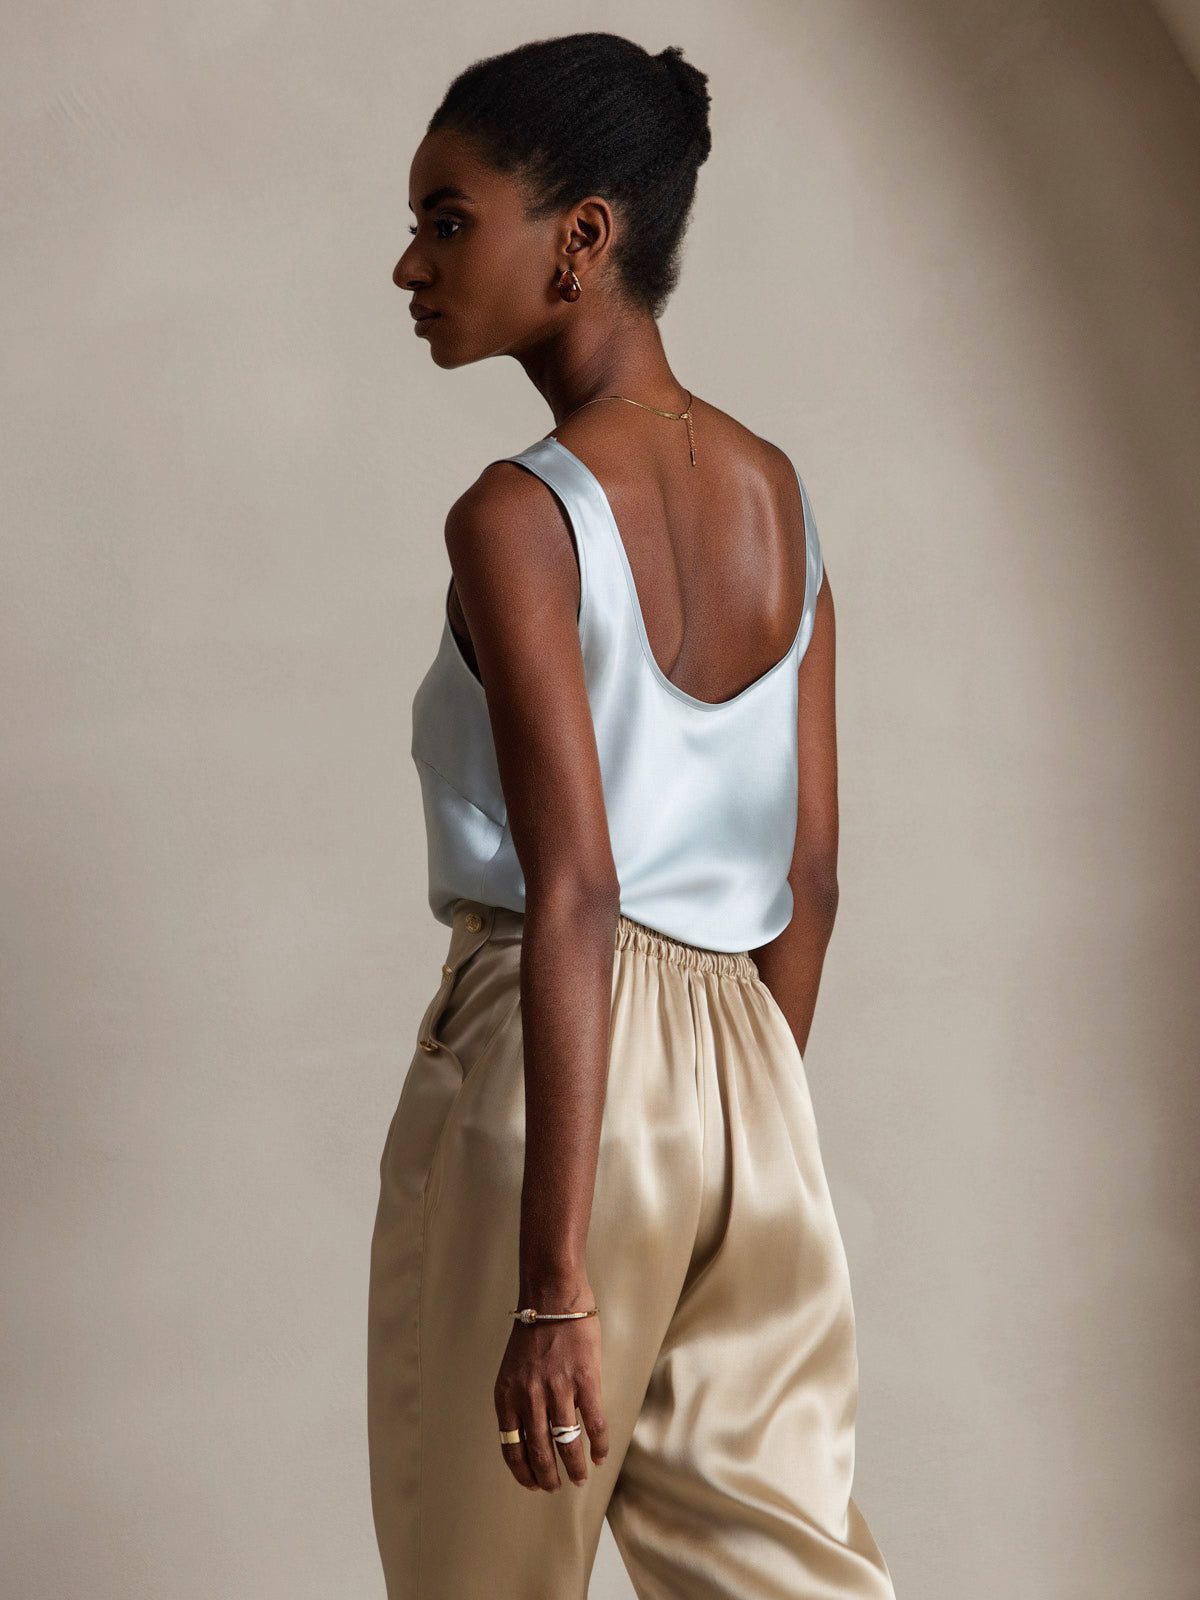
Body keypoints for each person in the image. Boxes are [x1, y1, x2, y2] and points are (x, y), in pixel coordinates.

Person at [368, 30, 898, 1600]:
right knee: (781, 1573)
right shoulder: (781, 499)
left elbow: (579, 886)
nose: (410, 264)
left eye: (450, 220)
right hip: (752, 1083)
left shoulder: (517, 513)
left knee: (481, 1579)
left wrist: (558, 1282)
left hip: (558, 1066)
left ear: (583, 236)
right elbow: (812, 875)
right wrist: (742, 1130)